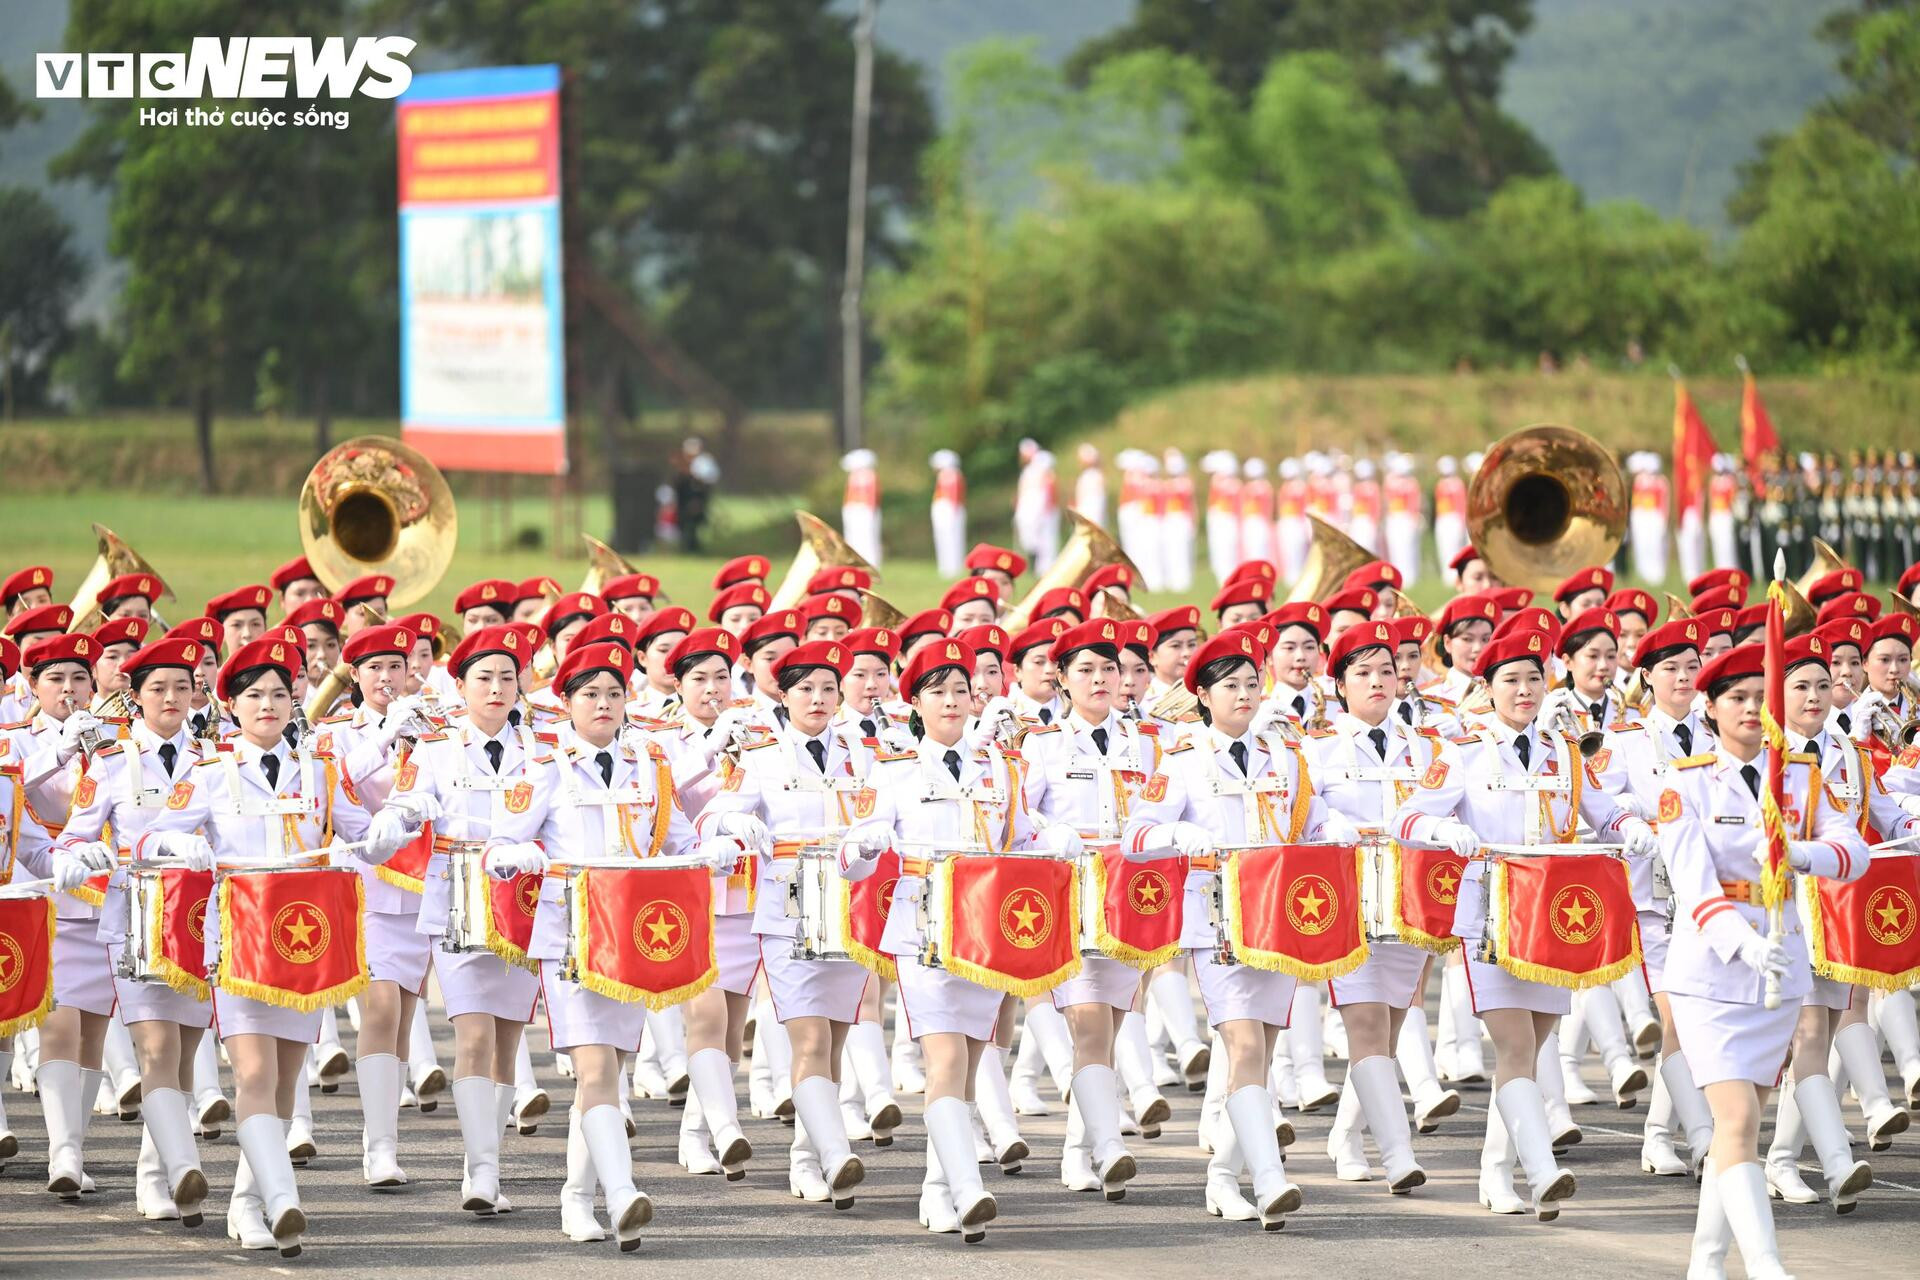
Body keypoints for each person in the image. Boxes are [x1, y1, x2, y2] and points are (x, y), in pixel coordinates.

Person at [1392, 625, 1657, 1221]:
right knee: (1514, 1046)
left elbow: (1602, 810)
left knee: (1532, 1050)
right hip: (1489, 916)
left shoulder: (1564, 750)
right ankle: (1541, 1173)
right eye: (1509, 680)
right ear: (1486, 690)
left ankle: (1494, 1174)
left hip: (1553, 917)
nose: (1524, 690)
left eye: (1533, 678)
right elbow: (1408, 819)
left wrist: (1630, 828)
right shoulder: (1461, 752)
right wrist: (1446, 830)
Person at [496, 639, 730, 1249]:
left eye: (614, 693)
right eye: (590, 695)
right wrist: (519, 855)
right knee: (596, 1067)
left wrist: (712, 851)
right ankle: (623, 1192)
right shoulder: (542, 764)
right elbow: (502, 843)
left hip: (631, 937)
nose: (603, 704)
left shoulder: (649, 763)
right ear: (566, 702)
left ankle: (577, 1198)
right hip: (571, 935)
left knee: (608, 1073)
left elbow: (675, 841)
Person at [854, 639, 1077, 1241]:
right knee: (946, 1059)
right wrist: (864, 846)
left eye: (960, 690)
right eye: (938, 692)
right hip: (924, 931)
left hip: (987, 931)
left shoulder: (999, 767)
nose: (952, 701)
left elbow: (1022, 832)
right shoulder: (894, 770)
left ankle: (936, 1189)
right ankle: (971, 1188)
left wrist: (1054, 837)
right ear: (916, 703)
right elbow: (871, 828)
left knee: (973, 1061)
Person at [1129, 627, 1348, 1226]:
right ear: (1202, 695)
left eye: (1253, 683)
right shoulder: (1180, 759)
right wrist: (1177, 834)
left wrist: (1335, 833)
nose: (1246, 694)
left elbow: (1313, 823)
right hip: (1217, 920)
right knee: (1246, 1046)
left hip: (1279, 917)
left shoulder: (1287, 753)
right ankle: (1272, 1178)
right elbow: (1137, 835)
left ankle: (1222, 1177)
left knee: (1258, 1054)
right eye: (1231, 686)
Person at [1662, 644, 1869, 1277]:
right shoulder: (1686, 780)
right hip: (1712, 972)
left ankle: (1704, 1262)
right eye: (1737, 698)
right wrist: (1741, 943)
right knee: (1740, 1117)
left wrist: (1801, 854)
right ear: (1711, 707)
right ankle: (1768, 1265)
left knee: (1738, 1132)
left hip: (1779, 967)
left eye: (1760, 696)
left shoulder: (1801, 775)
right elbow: (1693, 885)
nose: (1752, 708)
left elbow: (1854, 853)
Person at [198, 635, 407, 1253]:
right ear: (231, 705)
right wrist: (174, 848)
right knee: (255, 1072)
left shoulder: (318, 766)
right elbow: (160, 836)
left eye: (280, 694)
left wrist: (394, 824)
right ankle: (284, 1196)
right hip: (239, 944)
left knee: (287, 1081)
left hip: (302, 942)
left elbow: (362, 837)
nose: (268, 705)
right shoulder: (208, 771)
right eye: (254, 695)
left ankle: (247, 1203)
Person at [52, 636, 227, 1226]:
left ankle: (152, 1175)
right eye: (158, 688)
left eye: (183, 685)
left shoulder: (218, 760)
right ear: (134, 694)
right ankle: (183, 1169)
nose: (172, 697)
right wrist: (78, 859)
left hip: (203, 923)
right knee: (156, 1047)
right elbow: (72, 837)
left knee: (184, 1056)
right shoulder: (109, 761)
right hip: (136, 921)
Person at [694, 640, 874, 1209]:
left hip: (848, 909)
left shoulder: (862, 752)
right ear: (784, 694)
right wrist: (736, 826)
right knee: (809, 1035)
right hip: (787, 913)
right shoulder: (765, 755)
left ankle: (807, 1156)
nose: (818, 699)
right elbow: (712, 812)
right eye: (805, 689)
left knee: (836, 1043)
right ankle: (834, 1151)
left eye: (827, 687)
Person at [387, 624, 551, 1214]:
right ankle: (479, 1172)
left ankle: (488, 1162)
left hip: (523, 905)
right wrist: (405, 812)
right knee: (474, 1034)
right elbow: (402, 803)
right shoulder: (433, 748)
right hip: (458, 902)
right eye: (483, 678)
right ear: (458, 687)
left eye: (508, 677)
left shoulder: (544, 748)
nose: (497, 688)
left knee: (508, 1038)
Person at [1016, 619, 1175, 1202]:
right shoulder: (1041, 742)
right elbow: (1019, 815)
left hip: (1132, 897)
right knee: (1086, 1024)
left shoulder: (1148, 741)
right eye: (1085, 669)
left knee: (1108, 1027)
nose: (1101, 679)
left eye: (1109, 668)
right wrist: (1051, 833)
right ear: (1060, 679)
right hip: (1074, 893)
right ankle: (1107, 1147)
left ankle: (1077, 1151)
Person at [1302, 621, 1456, 1192]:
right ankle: (1399, 1155)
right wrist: (1326, 821)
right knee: (1365, 1026)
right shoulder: (1315, 748)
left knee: (1387, 1032)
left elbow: (1447, 802)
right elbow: (1300, 810)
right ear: (1339, 683)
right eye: (1362, 672)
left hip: (1411, 899)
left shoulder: (1429, 745)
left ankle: (1345, 1135)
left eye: (1386, 671)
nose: (1377, 682)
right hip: (1349, 900)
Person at [1765, 633, 1916, 1209]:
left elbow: (1879, 808)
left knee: (1821, 1038)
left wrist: (1911, 816)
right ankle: (1832, 1162)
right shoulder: (1767, 753)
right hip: (1787, 915)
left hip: (1838, 914)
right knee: (1807, 1038)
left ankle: (1780, 1160)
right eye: (1800, 686)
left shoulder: (1849, 748)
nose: (1813, 696)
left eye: (1822, 686)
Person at [841, 449, 881, 568]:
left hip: (864, 509)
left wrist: (870, 510)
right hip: (853, 508)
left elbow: (872, 495)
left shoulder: (869, 475)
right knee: (853, 536)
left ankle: (870, 562)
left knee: (867, 537)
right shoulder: (853, 475)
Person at [930, 450, 968, 578]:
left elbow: (953, 495)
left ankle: (951, 568)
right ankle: (947, 567)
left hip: (948, 511)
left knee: (951, 539)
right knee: (945, 539)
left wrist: (952, 513)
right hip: (946, 511)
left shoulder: (950, 474)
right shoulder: (947, 474)